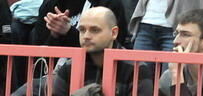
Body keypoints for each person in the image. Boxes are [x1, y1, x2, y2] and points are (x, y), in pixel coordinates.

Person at [17, 6, 152, 96]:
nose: (86, 36)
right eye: (82, 30)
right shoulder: (69, 67)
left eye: (95, 30)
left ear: (114, 33)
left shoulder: (136, 69)